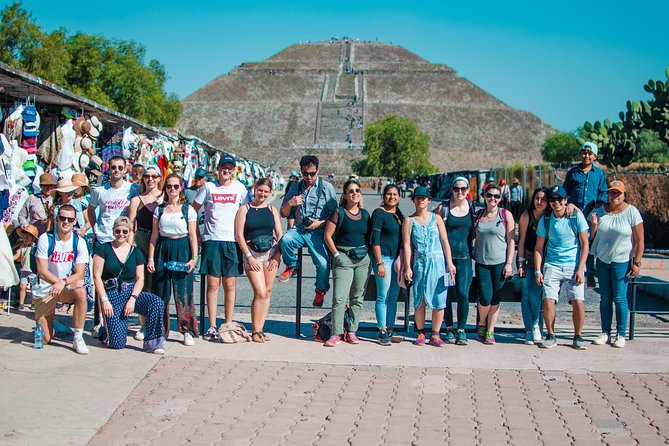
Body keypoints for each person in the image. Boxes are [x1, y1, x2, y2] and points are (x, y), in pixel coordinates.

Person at [194, 154, 250, 340]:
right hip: (212, 239)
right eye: (223, 167)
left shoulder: (240, 188)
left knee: (230, 285)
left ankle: (227, 322)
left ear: (234, 170)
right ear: (217, 169)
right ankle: (211, 324)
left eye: (230, 168)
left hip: (232, 240)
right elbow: (193, 210)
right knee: (212, 284)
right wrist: (196, 233)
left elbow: (247, 210)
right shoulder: (208, 187)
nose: (226, 171)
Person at [93, 217, 165, 353]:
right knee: (117, 343)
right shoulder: (103, 249)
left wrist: (133, 298)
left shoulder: (135, 251)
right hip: (112, 293)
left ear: (130, 232)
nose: (121, 234)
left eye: (125, 232)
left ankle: (153, 342)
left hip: (131, 292)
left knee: (156, 303)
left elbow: (140, 278)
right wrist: (104, 300)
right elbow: (96, 277)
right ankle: (105, 332)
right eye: (118, 231)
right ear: (113, 231)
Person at [589, 180, 644, 349]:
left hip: (621, 261)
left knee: (619, 297)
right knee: (605, 298)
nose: (614, 196)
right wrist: (593, 226)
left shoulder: (632, 212)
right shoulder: (599, 211)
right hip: (603, 260)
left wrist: (637, 262)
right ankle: (605, 331)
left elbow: (639, 240)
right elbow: (591, 238)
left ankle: (621, 334)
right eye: (612, 193)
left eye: (618, 193)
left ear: (624, 195)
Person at [534, 185, 589, 350]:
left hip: (573, 264)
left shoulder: (576, 217)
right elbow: (539, 247)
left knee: (578, 300)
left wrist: (581, 268)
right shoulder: (546, 220)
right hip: (552, 264)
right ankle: (551, 334)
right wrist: (538, 269)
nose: (556, 202)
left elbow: (585, 244)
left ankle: (578, 335)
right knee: (548, 299)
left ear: (566, 200)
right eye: (553, 199)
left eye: (560, 199)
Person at [278, 155, 338, 308]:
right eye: (305, 174)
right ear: (301, 172)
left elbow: (336, 215)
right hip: (299, 229)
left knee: (324, 264)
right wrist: (291, 203)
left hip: (318, 231)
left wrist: (320, 223)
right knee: (285, 240)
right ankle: (292, 265)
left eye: (312, 173)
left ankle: (320, 290)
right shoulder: (296, 187)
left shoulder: (326, 188)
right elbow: (283, 213)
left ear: (318, 170)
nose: (309, 177)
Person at [148, 174, 199, 345]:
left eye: (176, 186)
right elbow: (154, 237)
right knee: (161, 291)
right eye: (169, 186)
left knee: (183, 291)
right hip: (163, 248)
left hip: (182, 248)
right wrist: (150, 258)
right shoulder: (159, 209)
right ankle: (161, 329)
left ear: (181, 188)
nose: (172, 189)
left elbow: (193, 235)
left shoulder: (188, 210)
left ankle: (186, 329)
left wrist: (193, 258)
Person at [402, 187, 456, 347]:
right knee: (420, 298)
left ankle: (436, 333)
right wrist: (407, 266)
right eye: (417, 198)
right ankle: (420, 331)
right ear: (413, 200)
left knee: (439, 299)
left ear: (428, 200)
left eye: (423, 198)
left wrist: (449, 262)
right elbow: (407, 245)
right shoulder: (409, 221)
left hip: (437, 263)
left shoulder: (437, 218)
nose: (420, 200)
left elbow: (445, 241)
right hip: (420, 262)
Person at [32, 204, 90, 354]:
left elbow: (79, 273)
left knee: (81, 291)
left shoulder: (79, 242)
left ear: (75, 221)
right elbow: (42, 272)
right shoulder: (46, 238)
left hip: (64, 286)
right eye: (62, 218)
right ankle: (55, 327)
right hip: (45, 288)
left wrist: (63, 282)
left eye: (69, 219)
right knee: (45, 339)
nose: (66, 222)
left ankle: (78, 337)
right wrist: (59, 282)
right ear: (57, 218)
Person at [322, 179, 370, 347]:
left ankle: (352, 331)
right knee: (339, 297)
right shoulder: (338, 212)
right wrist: (336, 255)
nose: (355, 193)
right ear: (345, 195)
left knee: (357, 297)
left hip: (363, 260)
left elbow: (369, 237)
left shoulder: (365, 214)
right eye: (351, 191)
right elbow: (327, 235)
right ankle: (336, 332)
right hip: (344, 258)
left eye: (357, 190)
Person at [235, 178, 283, 343]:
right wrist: (249, 256)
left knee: (268, 292)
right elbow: (239, 235)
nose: (262, 194)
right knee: (260, 292)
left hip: (270, 254)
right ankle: (255, 330)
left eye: (266, 192)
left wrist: (277, 255)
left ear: (270, 193)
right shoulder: (244, 209)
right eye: (260, 190)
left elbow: (279, 234)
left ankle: (260, 329)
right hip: (252, 255)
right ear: (254, 189)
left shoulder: (272, 209)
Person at [434, 177, 475, 345]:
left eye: (463, 189)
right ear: (451, 189)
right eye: (457, 189)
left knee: (463, 293)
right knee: (448, 294)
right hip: (446, 259)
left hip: (464, 258)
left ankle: (462, 329)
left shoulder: (472, 208)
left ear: (468, 190)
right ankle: (449, 328)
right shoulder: (443, 208)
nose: (460, 192)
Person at [473, 183, 515, 345]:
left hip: (500, 262)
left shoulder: (505, 215)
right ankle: (482, 323)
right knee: (485, 297)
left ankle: (490, 329)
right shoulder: (478, 216)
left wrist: (509, 263)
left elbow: (511, 241)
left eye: (497, 196)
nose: (493, 199)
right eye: (490, 195)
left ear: (500, 198)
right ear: (484, 196)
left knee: (496, 298)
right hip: (482, 262)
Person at [563, 141, 608, 288]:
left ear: (595, 156)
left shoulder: (599, 173)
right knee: (574, 242)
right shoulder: (573, 173)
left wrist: (596, 211)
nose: (586, 156)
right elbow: (565, 192)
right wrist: (567, 205)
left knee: (588, 242)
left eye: (590, 153)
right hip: (574, 215)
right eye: (584, 153)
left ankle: (588, 271)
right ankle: (572, 268)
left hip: (591, 216)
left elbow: (603, 194)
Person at [370, 184, 404, 345]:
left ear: (399, 196)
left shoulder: (398, 214)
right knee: (382, 296)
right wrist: (380, 263)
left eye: (395, 194)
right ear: (384, 196)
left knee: (393, 296)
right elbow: (374, 240)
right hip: (384, 259)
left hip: (397, 261)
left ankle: (390, 327)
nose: (392, 197)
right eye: (389, 194)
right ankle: (382, 330)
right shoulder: (379, 213)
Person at [516, 187, 549, 345]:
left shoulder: (550, 217)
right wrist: (520, 262)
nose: (539, 202)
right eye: (537, 198)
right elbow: (521, 241)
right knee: (526, 294)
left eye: (543, 199)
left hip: (545, 260)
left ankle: (536, 325)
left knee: (535, 294)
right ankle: (528, 329)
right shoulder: (526, 216)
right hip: (528, 258)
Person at [87, 156, 140, 248]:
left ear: (125, 171)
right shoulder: (99, 190)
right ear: (108, 169)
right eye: (113, 167)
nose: (117, 170)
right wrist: (94, 228)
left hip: (123, 238)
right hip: (103, 238)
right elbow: (90, 210)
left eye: (120, 168)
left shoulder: (133, 189)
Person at [128, 165, 163, 292]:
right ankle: (143, 311)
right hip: (142, 239)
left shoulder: (165, 197)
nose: (150, 179)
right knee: (142, 278)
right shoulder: (136, 200)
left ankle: (160, 310)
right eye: (147, 176)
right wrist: (129, 247)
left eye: (154, 176)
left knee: (160, 278)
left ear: (159, 178)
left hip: (161, 241)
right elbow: (131, 227)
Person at [184, 168, 209, 279]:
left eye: (200, 178)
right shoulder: (188, 192)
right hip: (193, 223)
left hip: (205, 223)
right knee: (195, 246)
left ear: (205, 179)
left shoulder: (208, 190)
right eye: (196, 177)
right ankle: (195, 271)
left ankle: (202, 269)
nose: (198, 180)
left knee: (205, 247)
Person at [14, 225, 38, 310]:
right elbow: (17, 255)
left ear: (33, 238)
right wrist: (10, 259)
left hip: (33, 271)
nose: (25, 239)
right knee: (22, 286)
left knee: (33, 288)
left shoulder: (35, 247)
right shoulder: (22, 246)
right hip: (24, 269)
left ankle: (33, 303)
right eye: (24, 237)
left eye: (27, 237)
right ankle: (21, 303)